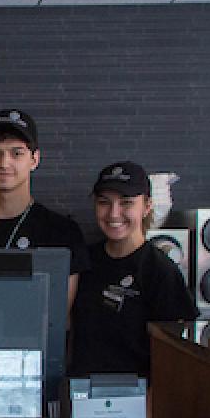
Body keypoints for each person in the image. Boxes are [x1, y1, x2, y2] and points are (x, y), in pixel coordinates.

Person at [71, 161, 198, 377]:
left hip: (136, 399)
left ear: (147, 206)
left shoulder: (160, 270)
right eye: (104, 202)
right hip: (83, 394)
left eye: (126, 203)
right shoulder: (84, 261)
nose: (113, 213)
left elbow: (176, 354)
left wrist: (152, 403)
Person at [0, 109, 89, 306]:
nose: (4, 163)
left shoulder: (63, 232)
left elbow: (60, 316)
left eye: (17, 153)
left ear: (34, 159)